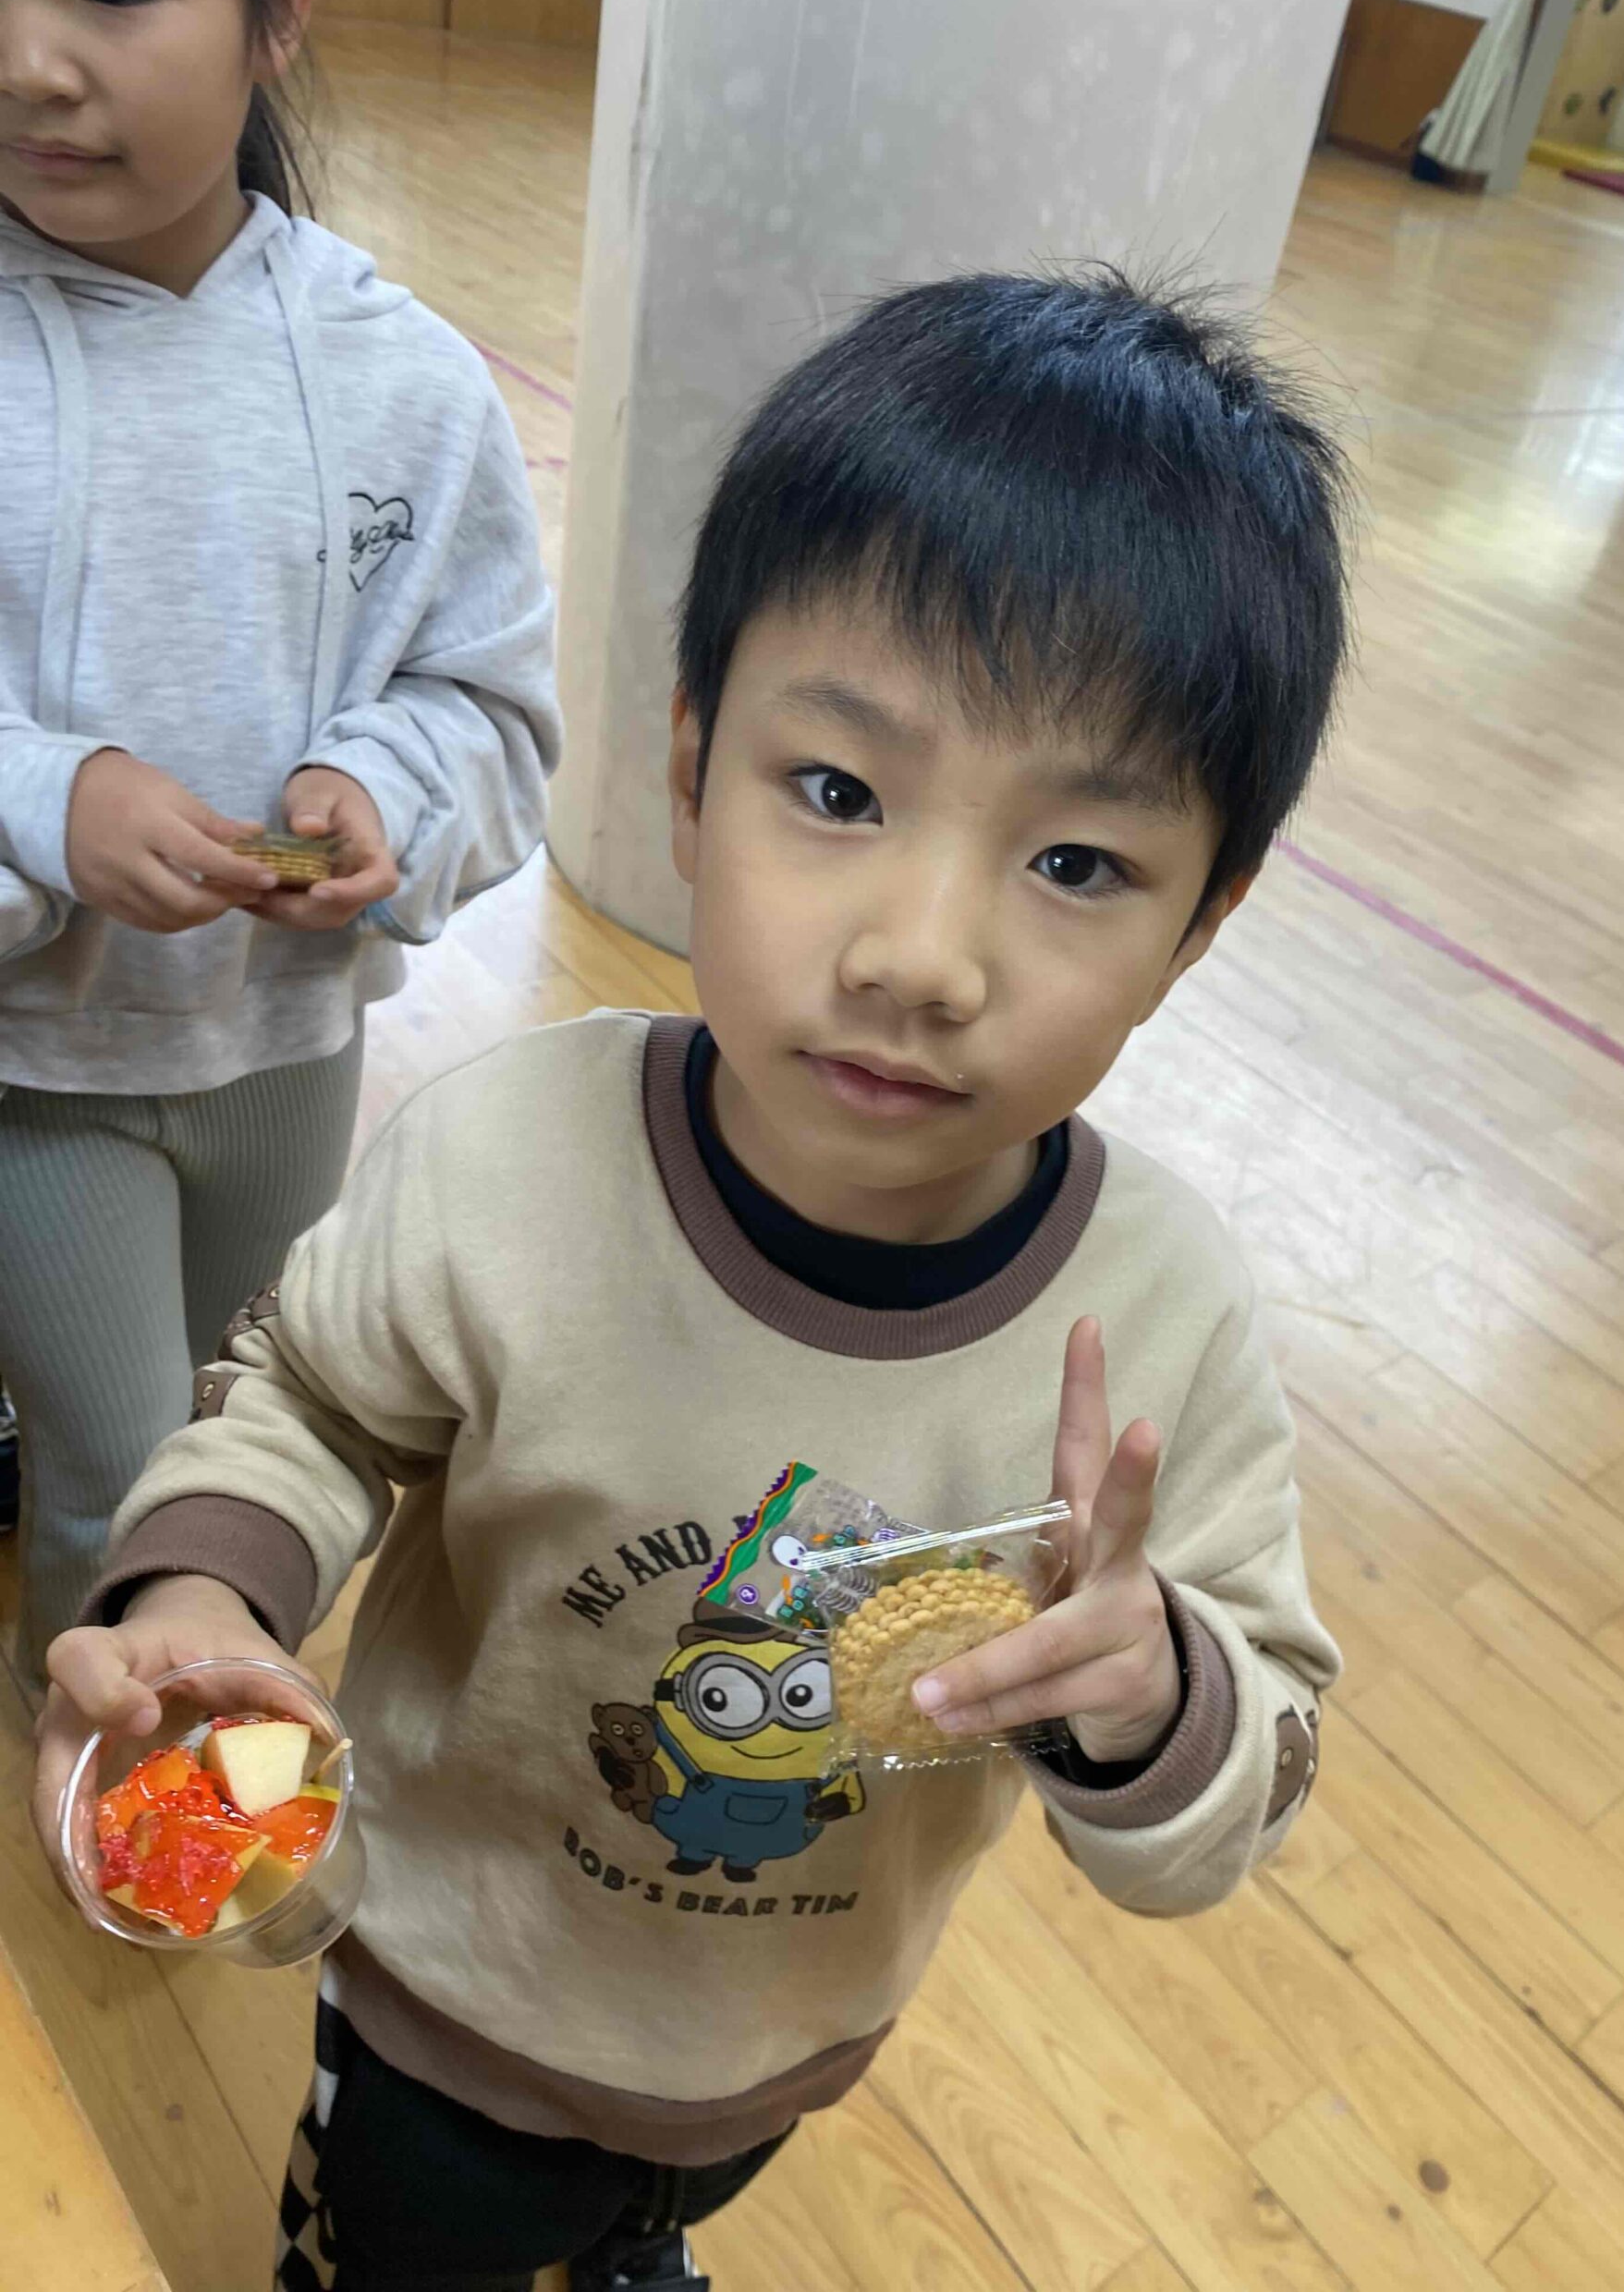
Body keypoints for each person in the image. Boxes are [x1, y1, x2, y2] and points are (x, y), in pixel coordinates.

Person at [37, 266, 1349, 2292]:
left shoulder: (1159, 1316)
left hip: (785, 2033)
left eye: (1077, 863)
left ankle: (639, 2229)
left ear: (1205, 921)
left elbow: (1251, 1761)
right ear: (689, 764)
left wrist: (1161, 1684)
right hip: (441, 1994)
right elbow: (303, 1398)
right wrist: (205, 1591)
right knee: (409, 2239)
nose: (921, 956)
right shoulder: (511, 1160)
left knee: (665, 2199)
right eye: (837, 794)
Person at [0, 0, 561, 1678]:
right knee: (115, 1473)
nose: (26, 64)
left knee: (250, 1427)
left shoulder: (407, 378)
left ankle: (215, 1729)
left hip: (290, 1053)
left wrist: (381, 781)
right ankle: (100, 1756)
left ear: (278, 8)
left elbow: (488, 702)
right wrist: (44, 802)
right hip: (34, 1074)